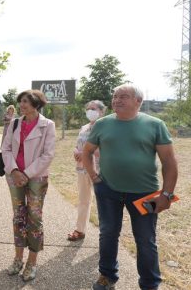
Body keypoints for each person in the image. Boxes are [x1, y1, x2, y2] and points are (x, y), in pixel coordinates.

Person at [82, 84, 178, 290]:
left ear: (138, 101)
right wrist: (94, 177)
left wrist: (167, 194)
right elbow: (87, 151)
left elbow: (169, 162)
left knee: (146, 240)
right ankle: (107, 276)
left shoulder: (155, 125)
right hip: (108, 190)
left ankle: (150, 284)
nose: (116, 100)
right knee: (107, 234)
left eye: (123, 96)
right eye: (115, 96)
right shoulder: (101, 124)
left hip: (146, 194)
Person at [1, 89, 56, 281]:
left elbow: (48, 155)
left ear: (36, 104)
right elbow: (6, 148)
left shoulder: (47, 125)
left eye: (26, 101)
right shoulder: (15, 123)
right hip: (14, 176)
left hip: (36, 178)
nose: (22, 105)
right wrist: (15, 171)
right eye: (21, 101)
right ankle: (18, 259)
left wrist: (26, 173)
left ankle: (32, 262)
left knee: (34, 217)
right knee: (18, 216)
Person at [68, 100, 106, 241]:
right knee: (83, 200)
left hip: (100, 170)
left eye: (94, 109)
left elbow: (105, 148)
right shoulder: (84, 127)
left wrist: (83, 153)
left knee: (104, 203)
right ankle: (80, 230)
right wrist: (76, 152)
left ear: (102, 112)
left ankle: (107, 234)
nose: (91, 111)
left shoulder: (105, 127)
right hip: (82, 169)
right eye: (89, 109)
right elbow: (78, 144)